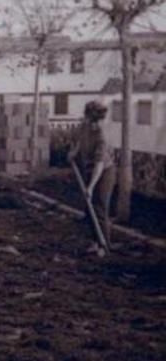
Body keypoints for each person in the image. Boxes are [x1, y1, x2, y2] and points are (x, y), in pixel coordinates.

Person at [67, 100, 116, 256]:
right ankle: (95, 241)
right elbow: (79, 141)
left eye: (97, 122)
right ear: (87, 117)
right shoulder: (83, 126)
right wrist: (74, 152)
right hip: (88, 168)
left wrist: (91, 187)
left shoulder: (102, 136)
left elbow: (99, 165)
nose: (94, 125)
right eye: (91, 121)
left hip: (105, 171)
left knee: (99, 206)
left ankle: (104, 245)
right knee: (89, 208)